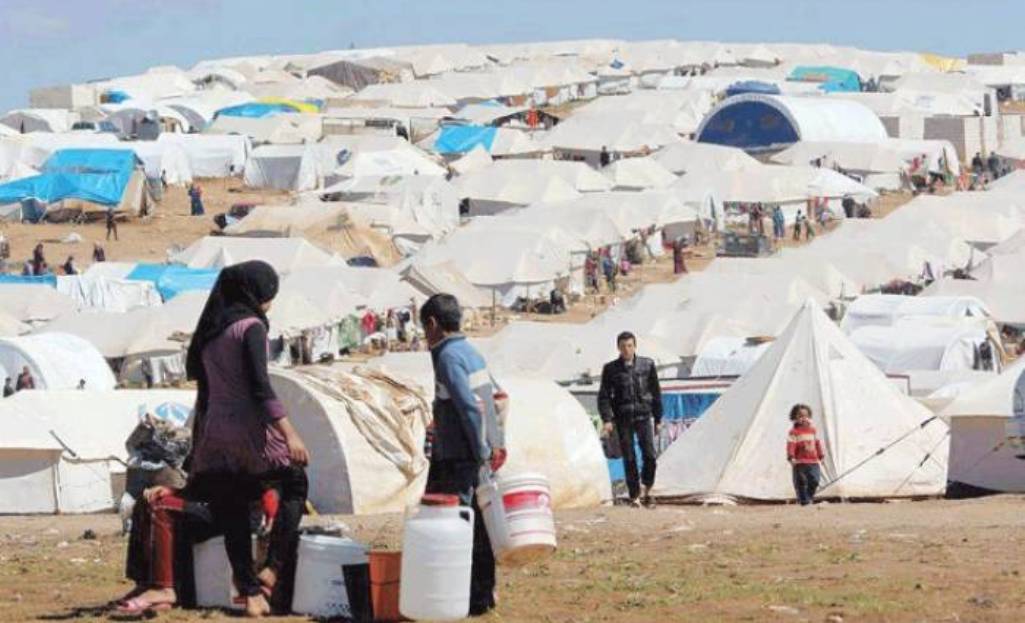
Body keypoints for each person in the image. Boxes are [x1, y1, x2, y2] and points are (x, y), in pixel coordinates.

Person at [184, 260, 310, 618]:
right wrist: (289, 433)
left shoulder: (212, 331)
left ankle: (251, 593)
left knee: (233, 506)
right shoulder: (251, 327)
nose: (270, 302)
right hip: (249, 431)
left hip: (217, 431)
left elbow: (206, 392)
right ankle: (272, 568)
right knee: (296, 482)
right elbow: (259, 386)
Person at [420, 293, 505, 617]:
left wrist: (480, 449)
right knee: (480, 523)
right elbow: (496, 400)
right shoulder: (472, 352)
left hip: (459, 456)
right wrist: (495, 444)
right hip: (478, 453)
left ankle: (465, 594)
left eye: (425, 329)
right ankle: (484, 591)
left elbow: (469, 407)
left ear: (432, 324)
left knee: (457, 523)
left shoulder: (447, 357)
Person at [598, 332, 663, 508]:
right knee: (629, 458)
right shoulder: (611, 369)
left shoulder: (647, 365)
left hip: (643, 416)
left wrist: (658, 418)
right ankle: (634, 496)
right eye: (623, 346)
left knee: (649, 455)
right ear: (618, 348)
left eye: (629, 345)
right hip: (623, 418)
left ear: (635, 346)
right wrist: (607, 419)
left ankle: (647, 489)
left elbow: (656, 392)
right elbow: (604, 396)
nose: (627, 349)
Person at [787, 404, 825, 506]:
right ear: (794, 418)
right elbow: (791, 445)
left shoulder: (813, 430)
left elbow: (817, 443)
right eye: (800, 416)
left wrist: (821, 455)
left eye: (806, 416)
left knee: (815, 480)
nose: (803, 418)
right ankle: (804, 501)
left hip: (813, 461)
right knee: (801, 482)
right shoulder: (794, 432)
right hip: (800, 462)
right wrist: (791, 457)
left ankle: (808, 497)